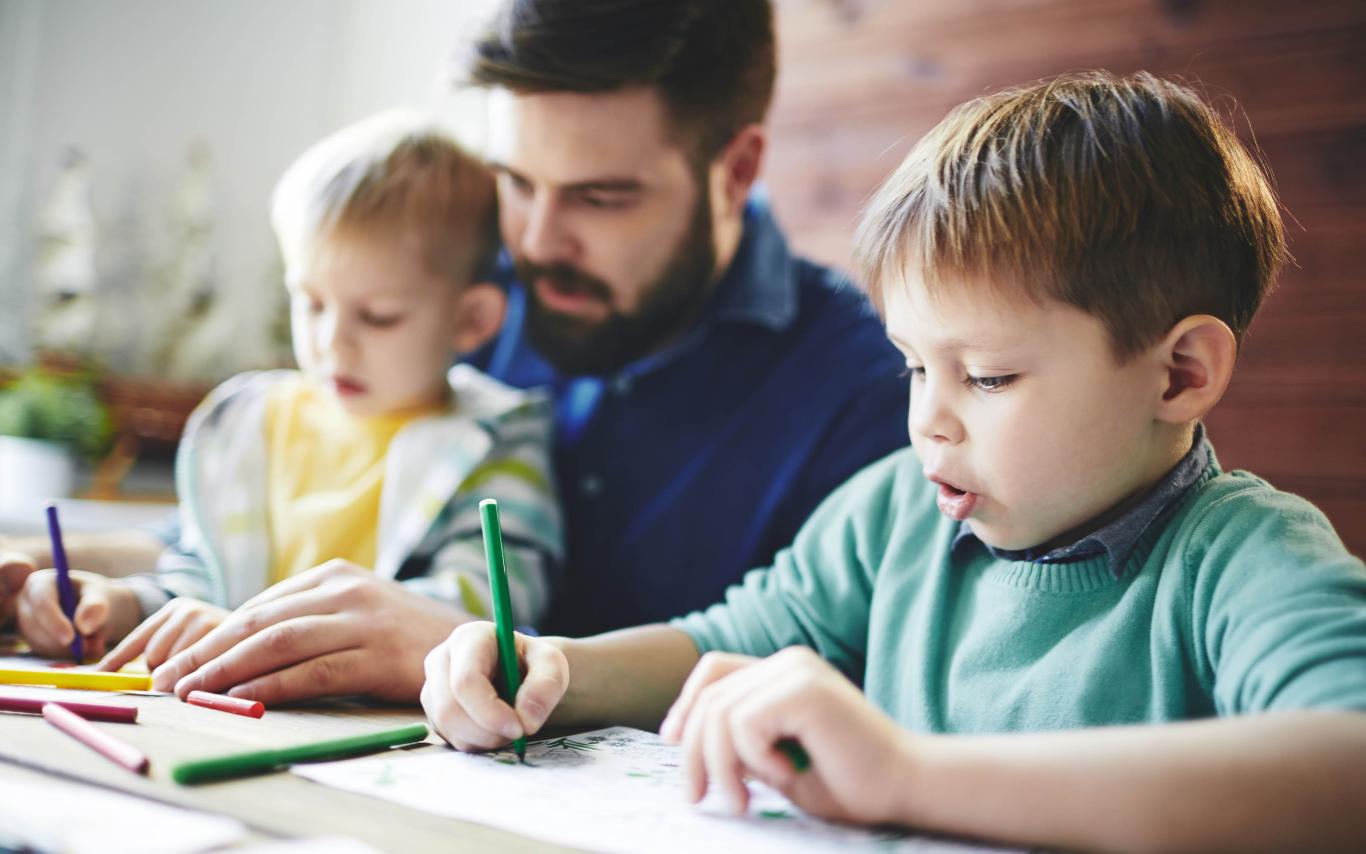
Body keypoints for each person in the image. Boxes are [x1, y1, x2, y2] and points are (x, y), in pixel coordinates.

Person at [420, 72, 1366, 852]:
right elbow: (733, 635)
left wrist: (908, 775)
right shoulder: (899, 512)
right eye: (915, 366)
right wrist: (548, 670)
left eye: (989, 378)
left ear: (1181, 374)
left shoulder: (1241, 558)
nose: (929, 422)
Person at [7, 112, 562, 703]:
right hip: (224, 715)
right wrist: (119, 606)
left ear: (471, 319)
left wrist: (241, 633)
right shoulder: (247, 425)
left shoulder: (498, 438)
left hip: (381, 736)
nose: (331, 342)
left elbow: (485, 613)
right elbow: (202, 575)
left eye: (378, 317)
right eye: (311, 302)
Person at [460, 0, 908, 635]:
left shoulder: (864, 396)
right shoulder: (466, 304)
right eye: (519, 184)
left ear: (738, 171)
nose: (537, 243)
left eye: (599, 198)